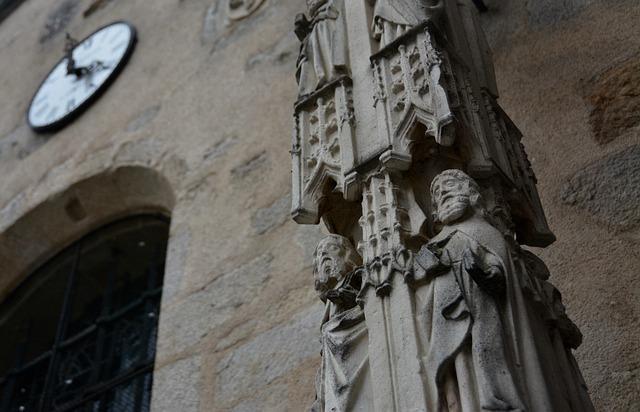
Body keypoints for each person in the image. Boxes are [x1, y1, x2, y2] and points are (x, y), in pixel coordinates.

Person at [413, 169, 595, 411]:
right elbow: (418, 271)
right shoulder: (439, 241)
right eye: (437, 193)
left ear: (471, 193)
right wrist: (427, 261)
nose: (443, 193)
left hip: (488, 317)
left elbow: (499, 270)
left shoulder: (486, 232)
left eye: (451, 185)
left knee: (491, 356)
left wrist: (488, 275)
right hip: (454, 322)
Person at [310, 235, 372, 412]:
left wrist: (348, 298)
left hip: (356, 339)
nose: (324, 255)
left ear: (347, 254)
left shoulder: (357, 277)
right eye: (320, 254)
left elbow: (367, 300)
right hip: (335, 355)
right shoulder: (328, 301)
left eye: (332, 248)